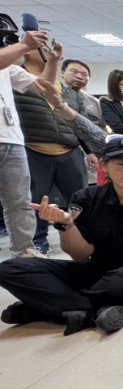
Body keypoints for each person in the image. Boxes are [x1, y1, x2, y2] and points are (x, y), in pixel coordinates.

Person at [0, 138, 123, 335]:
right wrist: (66, 224)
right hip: (101, 269)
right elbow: (81, 255)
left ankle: (43, 308)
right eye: (121, 164)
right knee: (10, 269)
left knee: (121, 282)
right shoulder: (84, 200)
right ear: (104, 165)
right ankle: (91, 310)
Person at [15, 40, 89, 256]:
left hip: (69, 149)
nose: (46, 52)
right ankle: (38, 240)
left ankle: (87, 234)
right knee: (37, 201)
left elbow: (80, 121)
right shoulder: (15, 76)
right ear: (27, 51)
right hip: (34, 148)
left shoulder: (68, 90)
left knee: (81, 198)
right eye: (41, 49)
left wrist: (90, 150)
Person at [0, 28, 52, 258]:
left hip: (12, 140)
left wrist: (54, 61)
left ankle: (24, 250)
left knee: (20, 201)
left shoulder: (7, 67)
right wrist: (24, 45)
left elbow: (44, 86)